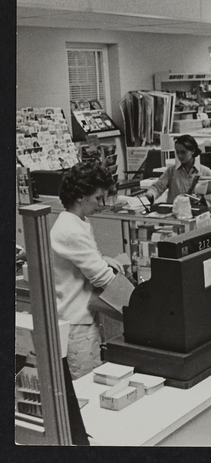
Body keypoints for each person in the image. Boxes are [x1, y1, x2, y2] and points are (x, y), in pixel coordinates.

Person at [50, 162, 132, 379]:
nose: (100, 204)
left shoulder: (79, 221)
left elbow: (88, 258)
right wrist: (138, 306)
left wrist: (103, 258)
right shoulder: (70, 229)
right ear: (80, 196)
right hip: (76, 322)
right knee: (86, 384)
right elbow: (101, 276)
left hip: (84, 315)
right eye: (97, 198)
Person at [144, 134, 211, 207]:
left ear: (193, 151)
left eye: (183, 152)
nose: (180, 156)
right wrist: (150, 194)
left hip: (197, 215)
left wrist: (203, 199)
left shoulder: (205, 171)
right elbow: (158, 186)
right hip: (176, 215)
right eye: (177, 152)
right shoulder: (171, 171)